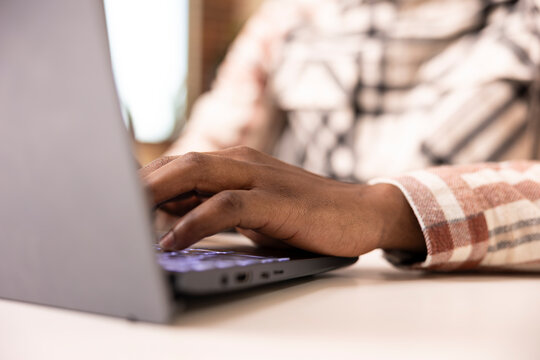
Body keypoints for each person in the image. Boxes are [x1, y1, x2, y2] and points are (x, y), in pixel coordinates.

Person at [142, 0, 540, 272]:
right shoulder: (288, 16)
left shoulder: (526, 18)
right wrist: (154, 193)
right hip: (299, 291)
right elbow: (206, 148)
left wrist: (383, 211)